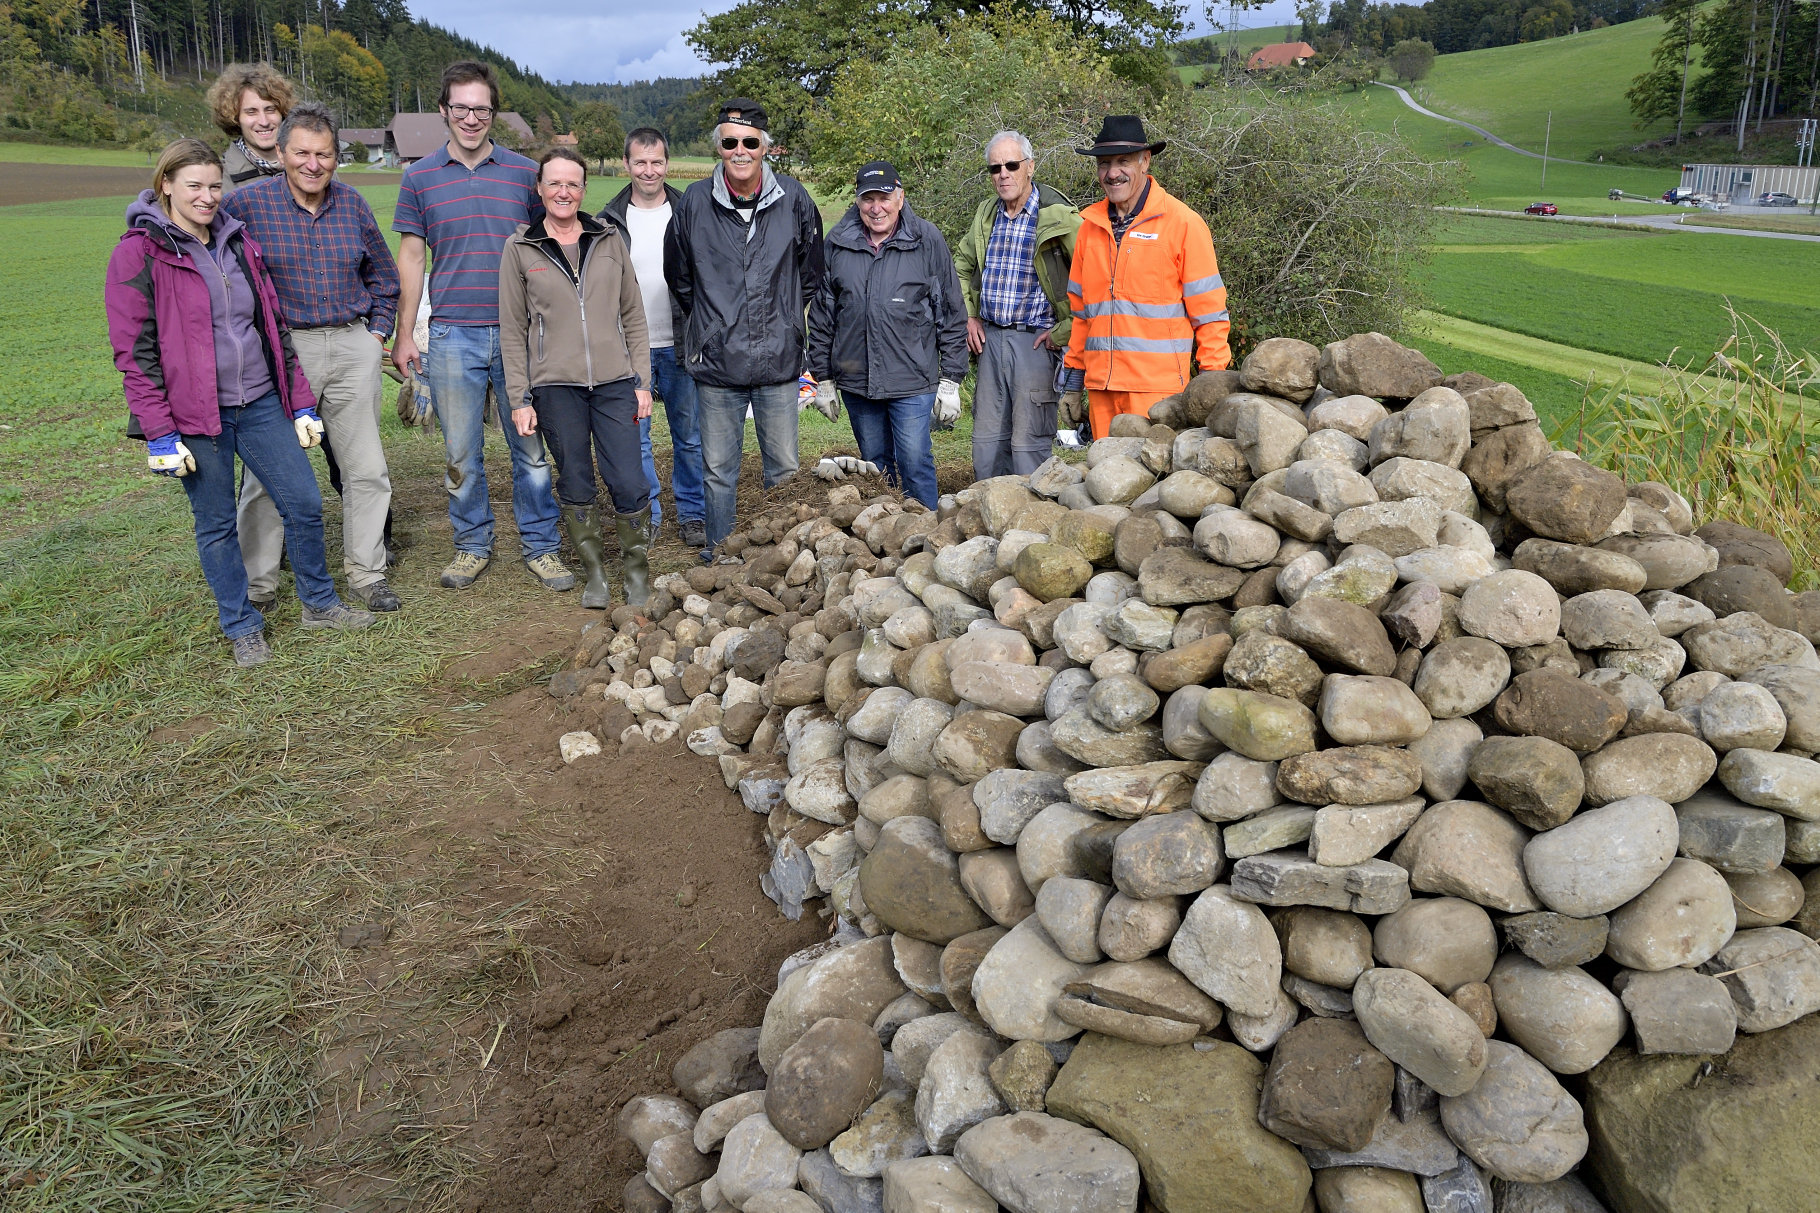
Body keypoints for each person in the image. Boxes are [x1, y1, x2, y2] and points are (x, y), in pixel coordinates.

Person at [104, 139, 374, 667]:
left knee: (303, 501)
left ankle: (319, 603)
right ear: (165, 185)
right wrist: (159, 432)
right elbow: (134, 354)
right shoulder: (138, 252)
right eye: (194, 187)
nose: (207, 197)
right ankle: (240, 625)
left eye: (213, 186)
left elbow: (271, 327)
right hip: (195, 416)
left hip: (259, 402)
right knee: (217, 523)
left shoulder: (235, 241)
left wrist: (298, 403)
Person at [391, 60, 572, 593]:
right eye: (461, 108)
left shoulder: (522, 174)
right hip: (452, 334)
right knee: (461, 452)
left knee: (531, 447)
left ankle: (542, 545)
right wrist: (406, 332)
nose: (472, 118)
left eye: (482, 108)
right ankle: (472, 543)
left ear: (494, 112)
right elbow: (410, 256)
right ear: (445, 110)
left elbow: (548, 247)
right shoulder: (418, 177)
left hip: (520, 335)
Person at [224, 102, 402, 614]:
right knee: (267, 475)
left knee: (366, 468)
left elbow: (384, 279)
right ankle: (259, 583)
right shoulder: (247, 206)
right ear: (280, 154)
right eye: (301, 152)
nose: (313, 163)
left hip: (351, 344)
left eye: (323, 154)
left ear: (336, 158)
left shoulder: (353, 205)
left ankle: (367, 573)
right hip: (281, 351)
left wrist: (377, 334)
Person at [664, 98, 824, 561]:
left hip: (778, 360)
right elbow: (679, 275)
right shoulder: (695, 201)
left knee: (785, 469)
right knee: (718, 470)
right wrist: (712, 325)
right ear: (719, 147)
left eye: (749, 142)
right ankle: (720, 556)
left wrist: (789, 321)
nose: (740, 151)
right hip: (718, 364)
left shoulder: (794, 198)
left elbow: (810, 272)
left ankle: (785, 556)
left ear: (764, 149)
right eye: (730, 142)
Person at [499, 149, 653, 610]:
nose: (563, 192)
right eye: (554, 183)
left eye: (573, 184)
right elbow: (513, 328)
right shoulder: (520, 248)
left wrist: (641, 382)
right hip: (554, 386)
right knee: (577, 479)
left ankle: (636, 573)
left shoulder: (607, 239)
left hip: (614, 383)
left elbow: (634, 315)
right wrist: (518, 397)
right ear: (540, 189)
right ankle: (595, 575)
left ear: (584, 190)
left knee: (628, 478)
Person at [806, 161, 965, 509]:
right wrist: (824, 379)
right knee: (874, 465)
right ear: (858, 201)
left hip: (912, 379)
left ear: (901, 196)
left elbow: (951, 312)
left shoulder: (925, 240)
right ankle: (884, 536)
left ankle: (926, 532)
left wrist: (951, 380)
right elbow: (822, 316)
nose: (876, 207)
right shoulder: (838, 242)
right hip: (857, 382)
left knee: (915, 462)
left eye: (885, 197)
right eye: (868, 199)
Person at [1061, 115, 1232, 439]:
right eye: (1104, 163)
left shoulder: (1182, 224)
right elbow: (1081, 316)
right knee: (1104, 485)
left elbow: (1210, 316)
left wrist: (1212, 384)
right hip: (1101, 393)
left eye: (1123, 161)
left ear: (1145, 161)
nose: (1113, 173)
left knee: (1154, 488)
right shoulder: (1089, 229)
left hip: (1158, 394)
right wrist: (1073, 384)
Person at [597, 126, 706, 548]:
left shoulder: (689, 211)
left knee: (690, 438)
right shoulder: (607, 222)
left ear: (667, 163)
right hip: (629, 350)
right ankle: (649, 516)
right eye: (639, 162)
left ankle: (694, 515)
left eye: (656, 162)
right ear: (627, 164)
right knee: (636, 440)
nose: (648, 170)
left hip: (682, 344)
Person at [952, 130, 1082, 477]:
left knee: (1028, 445)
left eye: (1011, 165)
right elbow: (960, 265)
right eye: (995, 168)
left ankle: (1030, 524)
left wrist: (1065, 331)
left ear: (1030, 167)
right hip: (991, 341)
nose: (1003, 174)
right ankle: (987, 518)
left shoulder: (1060, 217)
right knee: (987, 441)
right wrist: (969, 316)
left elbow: (1094, 281)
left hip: (1036, 342)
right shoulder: (986, 214)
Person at [207, 63, 291, 193]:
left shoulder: (314, 168)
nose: (264, 122)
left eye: (270, 110)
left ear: (282, 113)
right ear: (235, 118)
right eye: (251, 112)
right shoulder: (218, 180)